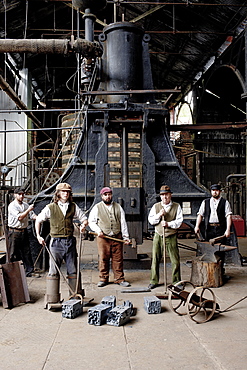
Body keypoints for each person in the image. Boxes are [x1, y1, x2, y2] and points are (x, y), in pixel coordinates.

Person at [35, 183, 88, 301]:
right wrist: (39, 236)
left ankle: (75, 297)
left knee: (73, 270)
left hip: (70, 242)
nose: (66, 194)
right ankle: (52, 299)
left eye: (68, 192)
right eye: (63, 191)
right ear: (58, 193)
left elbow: (84, 219)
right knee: (53, 271)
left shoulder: (73, 206)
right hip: (55, 243)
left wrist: (83, 225)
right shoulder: (51, 207)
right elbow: (38, 220)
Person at [88, 187, 131, 287]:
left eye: (109, 194)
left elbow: (123, 223)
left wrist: (125, 237)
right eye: (105, 195)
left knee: (118, 259)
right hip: (103, 238)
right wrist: (98, 231)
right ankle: (103, 278)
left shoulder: (118, 207)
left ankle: (119, 279)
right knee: (103, 258)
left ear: (112, 195)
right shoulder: (97, 207)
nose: (108, 197)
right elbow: (91, 222)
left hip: (117, 237)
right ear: (102, 196)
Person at [148, 185, 183, 289]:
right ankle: (154, 281)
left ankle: (177, 281)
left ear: (170, 195)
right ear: (160, 196)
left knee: (175, 260)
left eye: (166, 194)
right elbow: (151, 221)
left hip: (171, 236)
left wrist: (168, 224)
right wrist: (159, 215)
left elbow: (179, 222)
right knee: (155, 259)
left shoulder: (177, 206)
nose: (165, 197)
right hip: (158, 235)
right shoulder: (156, 206)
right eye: (162, 195)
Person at [8, 187, 35, 277]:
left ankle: (29, 271)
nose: (21, 196)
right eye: (19, 194)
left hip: (24, 231)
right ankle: (10, 272)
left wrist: (41, 218)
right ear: (15, 195)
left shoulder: (26, 205)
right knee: (12, 252)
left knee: (26, 251)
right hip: (14, 232)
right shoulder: (12, 206)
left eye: (23, 194)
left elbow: (32, 216)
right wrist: (28, 210)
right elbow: (20, 217)